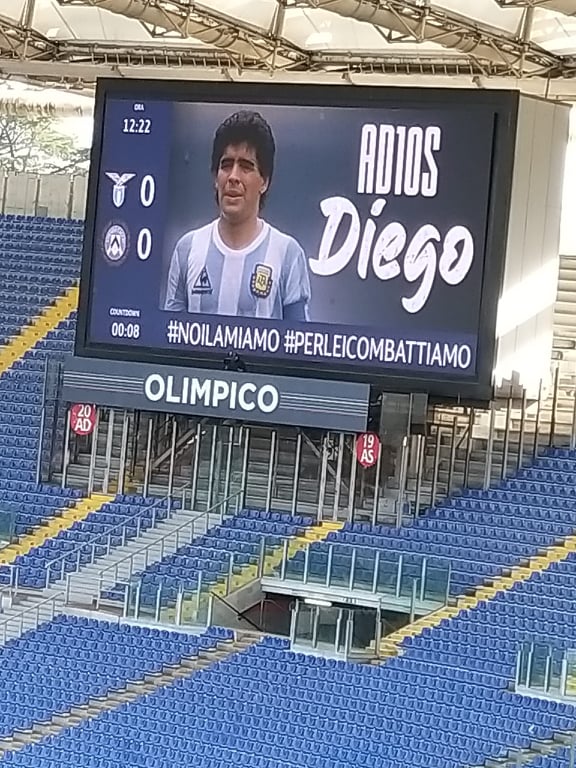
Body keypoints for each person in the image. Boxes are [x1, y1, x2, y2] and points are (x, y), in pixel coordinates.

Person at [163, 110, 311, 321]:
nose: (233, 176)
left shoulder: (288, 254)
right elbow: (169, 334)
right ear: (216, 178)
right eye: (226, 165)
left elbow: (298, 338)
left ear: (264, 181)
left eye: (245, 167)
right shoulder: (186, 249)